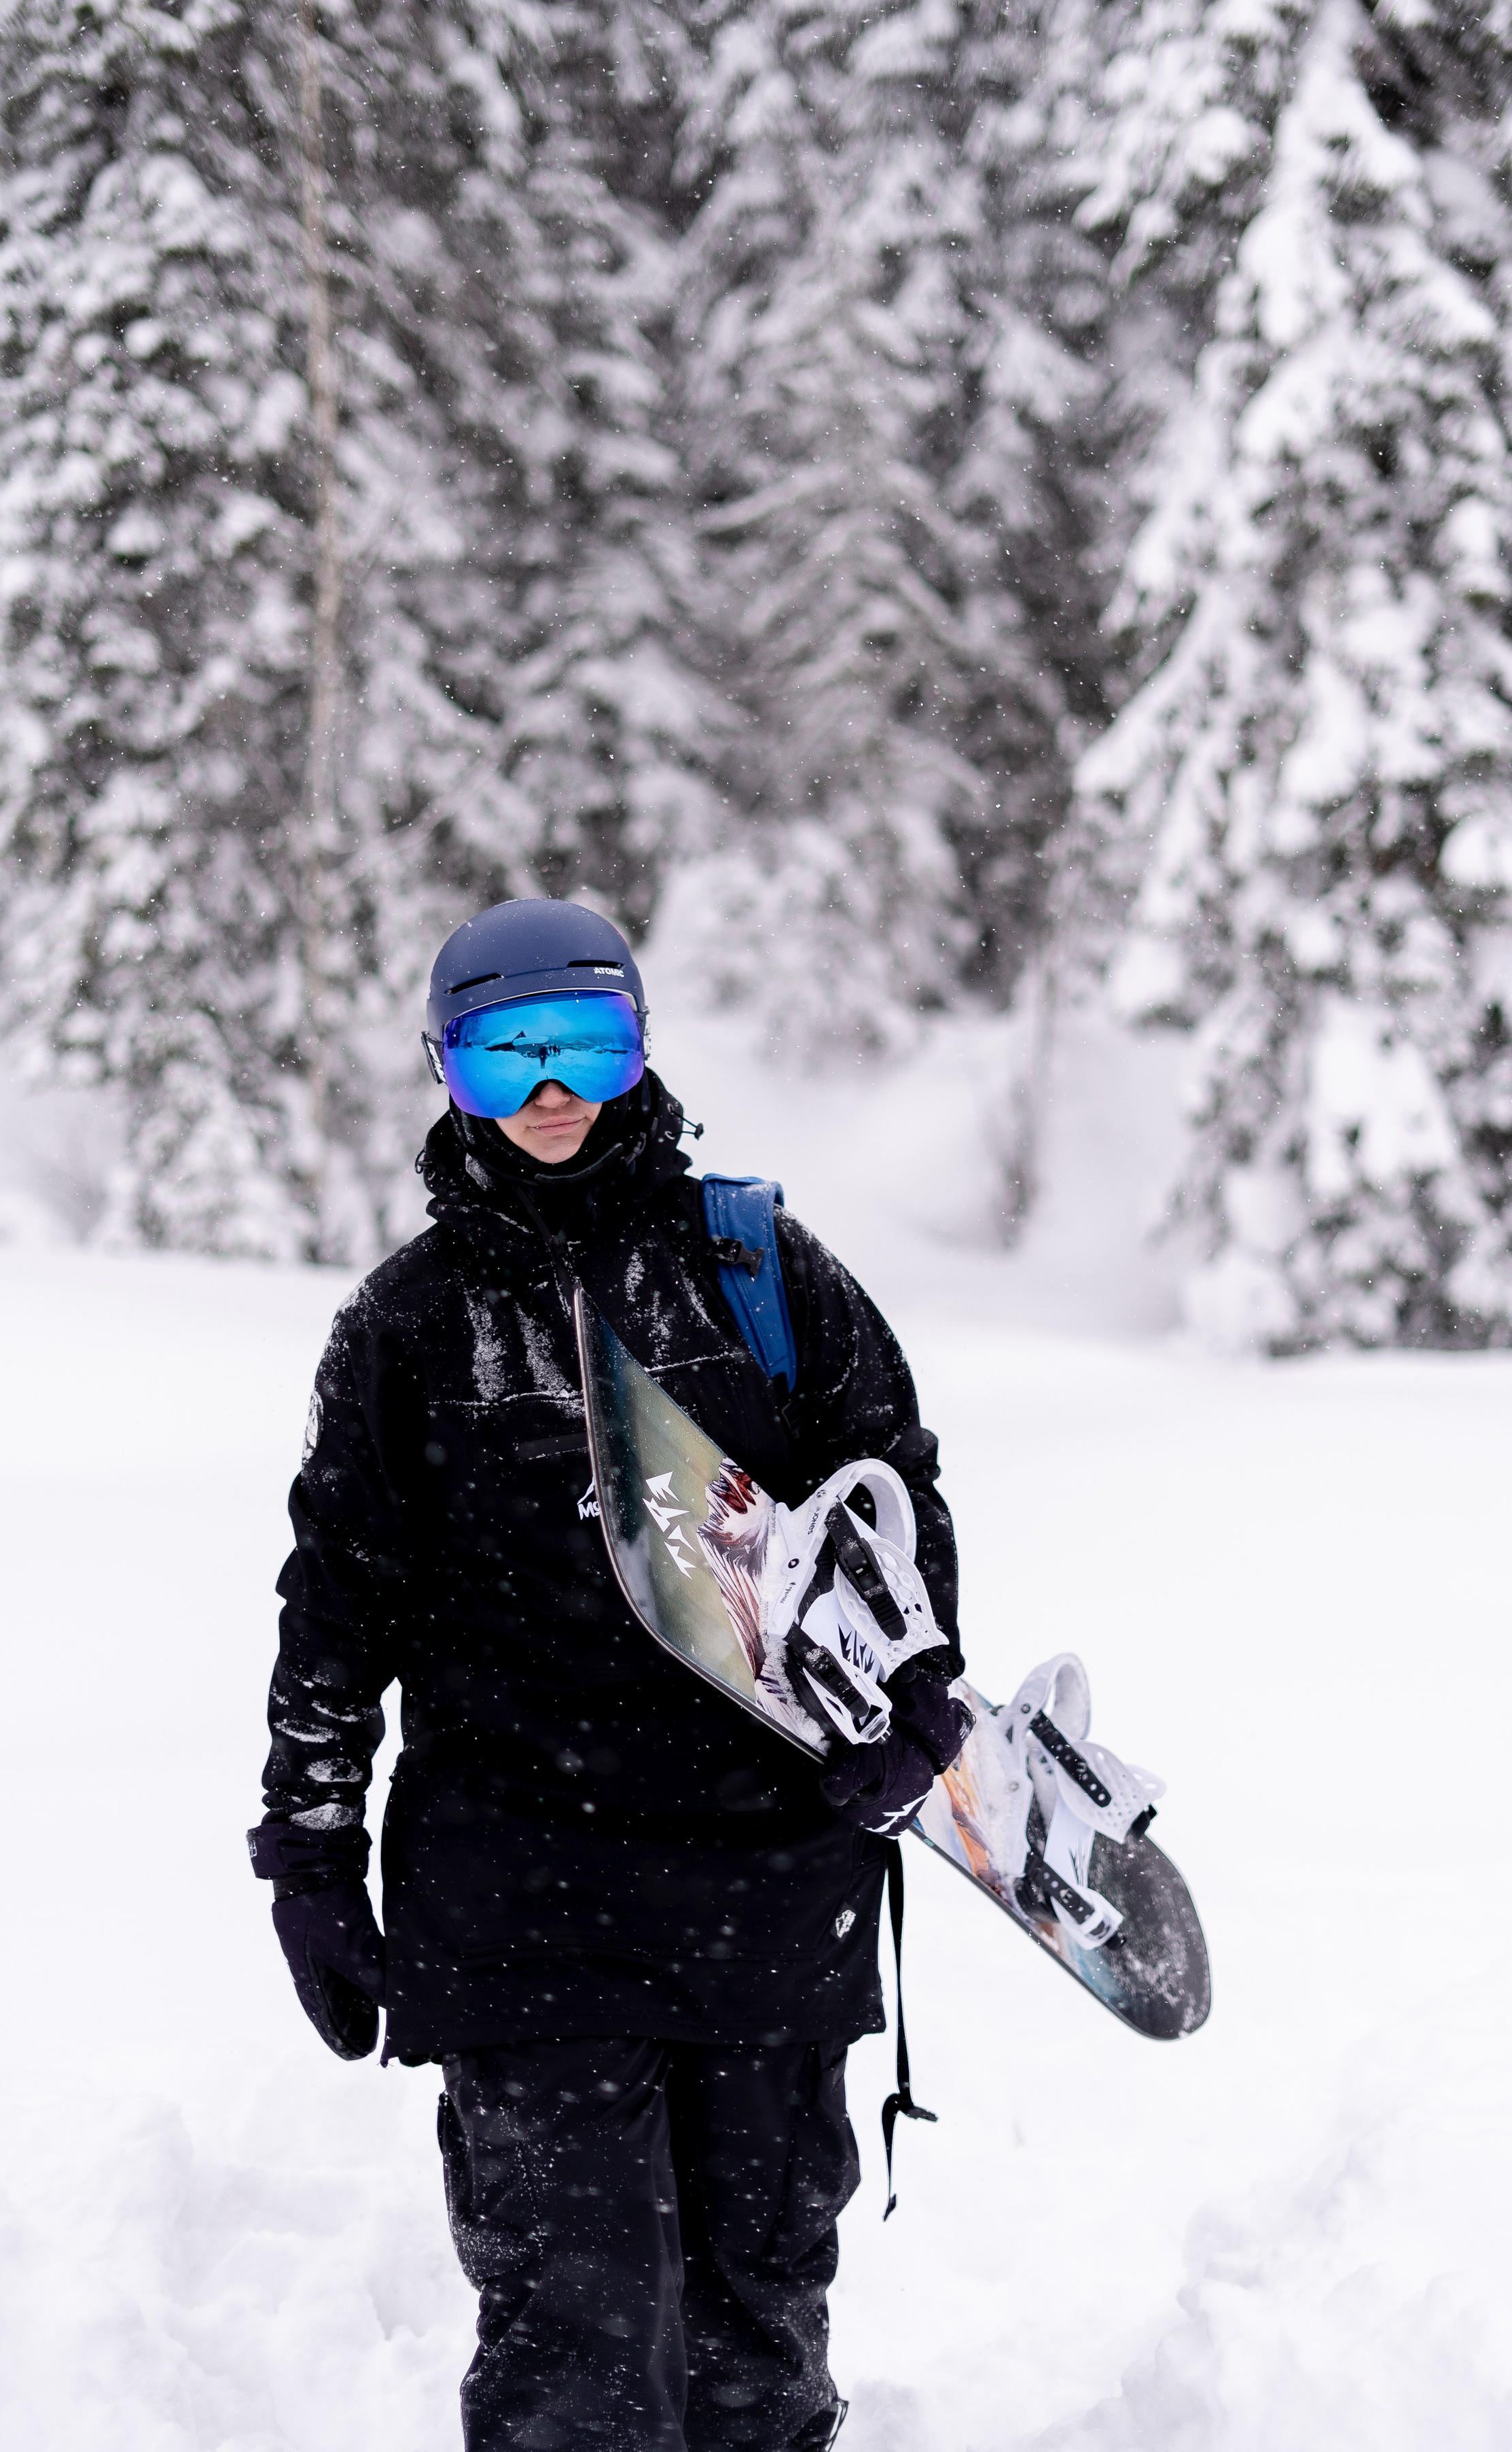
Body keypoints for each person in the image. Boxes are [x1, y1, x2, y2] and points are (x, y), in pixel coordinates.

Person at [247, 898, 969, 2452]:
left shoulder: (758, 1268)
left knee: (755, 2339)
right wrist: (307, 1852)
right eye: (507, 1058)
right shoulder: (406, 1325)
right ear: (447, 1076)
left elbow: (890, 1491)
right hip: (520, 1899)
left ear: (641, 1049)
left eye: (586, 1044)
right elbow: (338, 1600)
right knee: (574, 2343)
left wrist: (918, 1698)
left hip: (768, 1883)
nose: (552, 1091)